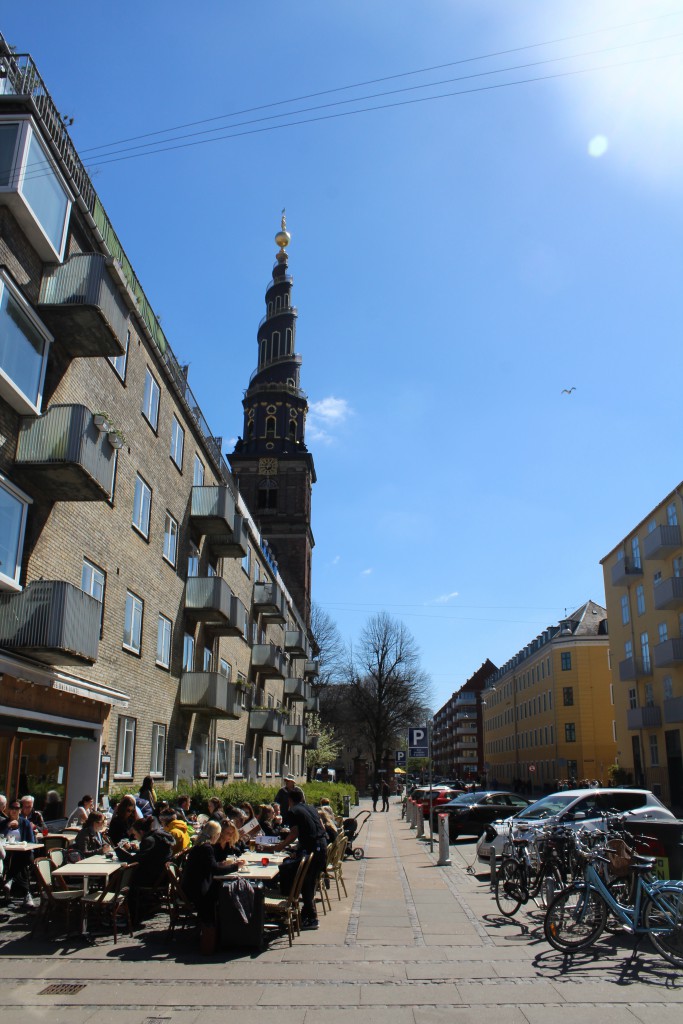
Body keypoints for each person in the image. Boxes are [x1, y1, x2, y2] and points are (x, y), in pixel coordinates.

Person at [272, 788, 327, 930]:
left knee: (303, 880)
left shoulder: (293, 811)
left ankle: (311, 917)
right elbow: (321, 826)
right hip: (322, 847)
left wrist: (281, 846)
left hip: (313, 849)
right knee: (307, 881)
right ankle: (306, 914)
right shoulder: (311, 808)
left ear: (290, 800)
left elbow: (294, 833)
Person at [181, 820, 244, 926]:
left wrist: (221, 864)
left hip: (191, 885)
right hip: (198, 890)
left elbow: (211, 867)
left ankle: (224, 924)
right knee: (226, 893)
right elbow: (215, 871)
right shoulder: (207, 848)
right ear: (216, 834)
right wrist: (235, 867)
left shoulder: (200, 845)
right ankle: (224, 925)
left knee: (225, 890)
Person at [116, 816, 175, 919]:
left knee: (126, 876)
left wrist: (120, 852)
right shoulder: (159, 836)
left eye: (135, 834)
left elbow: (137, 860)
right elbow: (147, 856)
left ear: (141, 832)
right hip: (163, 875)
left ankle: (126, 910)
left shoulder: (149, 840)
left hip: (153, 879)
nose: (134, 837)